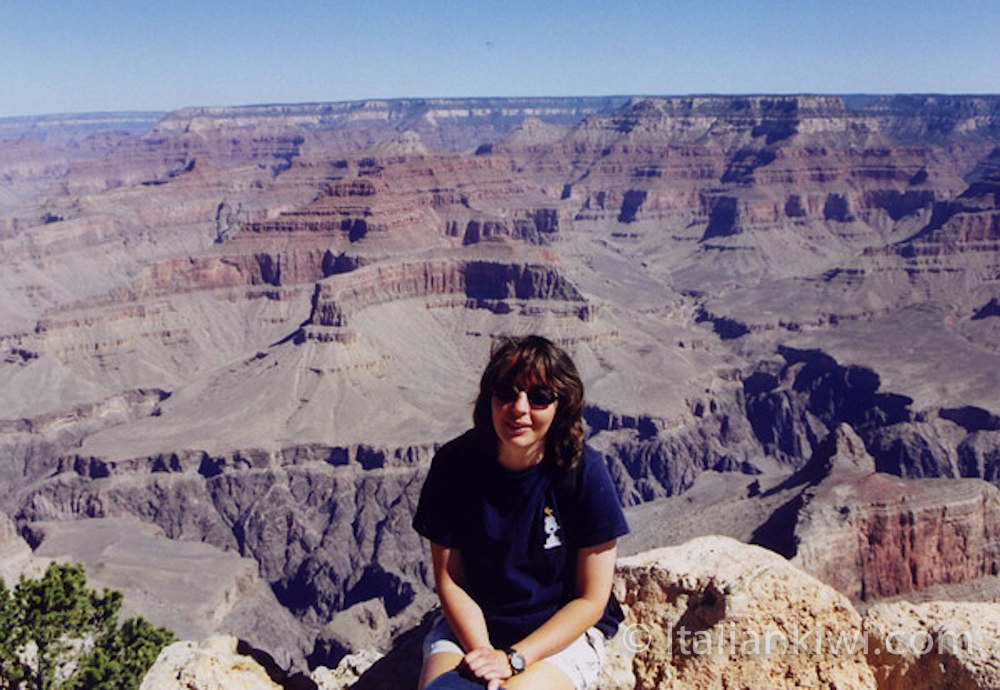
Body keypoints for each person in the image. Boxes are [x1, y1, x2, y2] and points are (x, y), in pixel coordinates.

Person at [412, 335, 629, 690]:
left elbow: (591, 599)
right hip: (472, 628)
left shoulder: (584, 472)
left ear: (562, 405)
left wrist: (515, 658)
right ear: (489, 398)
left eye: (540, 397)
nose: (519, 408)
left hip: (559, 634)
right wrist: (485, 657)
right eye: (507, 392)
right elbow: (451, 579)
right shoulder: (454, 465)